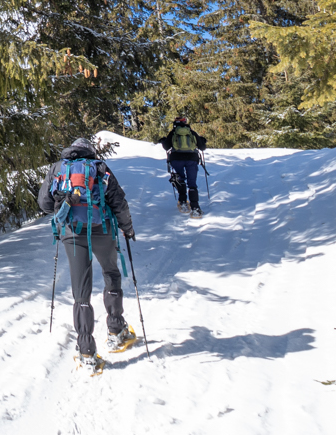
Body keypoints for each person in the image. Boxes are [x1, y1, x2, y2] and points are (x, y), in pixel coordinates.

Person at [37, 137, 137, 374]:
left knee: (81, 293)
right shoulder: (100, 168)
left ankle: (86, 352)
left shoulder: (58, 168)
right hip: (102, 230)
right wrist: (128, 228)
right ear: (90, 151)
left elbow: (44, 203)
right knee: (111, 273)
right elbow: (118, 202)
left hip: (72, 233)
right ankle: (116, 330)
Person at [159, 115, 208, 216]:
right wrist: (202, 141)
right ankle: (195, 208)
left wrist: (163, 141)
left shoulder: (173, 133)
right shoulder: (191, 132)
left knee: (180, 179)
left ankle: (183, 203)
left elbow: (167, 147)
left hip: (176, 159)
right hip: (192, 159)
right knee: (192, 183)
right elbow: (202, 147)